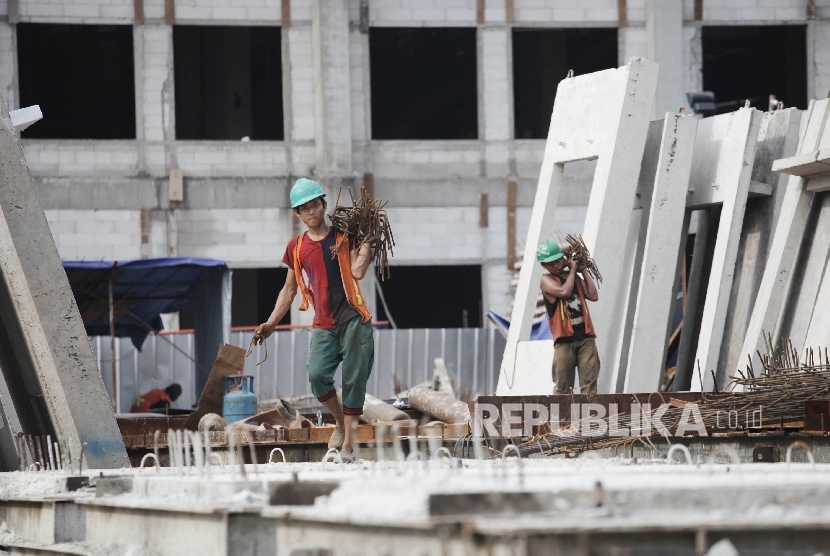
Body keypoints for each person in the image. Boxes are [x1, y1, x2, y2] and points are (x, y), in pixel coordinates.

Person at [255, 178, 373, 462]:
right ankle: (340, 424)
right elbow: (289, 289)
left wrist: (367, 243)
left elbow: (358, 272)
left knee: (354, 381)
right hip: (324, 325)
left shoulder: (345, 237)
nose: (311, 212)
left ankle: (348, 448)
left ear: (324, 204)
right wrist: (270, 324)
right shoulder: (296, 248)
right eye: (304, 208)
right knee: (317, 375)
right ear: (297, 214)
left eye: (315, 205)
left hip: (354, 319)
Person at [537, 240, 600, 394]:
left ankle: (589, 417)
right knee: (563, 388)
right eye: (551, 264)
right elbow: (564, 292)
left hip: (585, 339)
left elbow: (593, 295)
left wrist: (583, 271)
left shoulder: (574, 278)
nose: (556, 265)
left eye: (558, 261)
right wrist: (572, 270)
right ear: (544, 266)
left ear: (563, 259)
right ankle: (563, 418)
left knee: (589, 386)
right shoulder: (546, 281)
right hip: (564, 342)